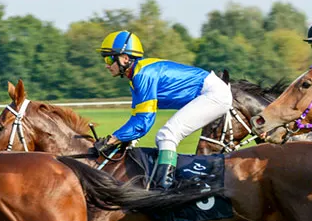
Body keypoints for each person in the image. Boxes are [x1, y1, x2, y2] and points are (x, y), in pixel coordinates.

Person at [95, 31, 232, 189]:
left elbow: (143, 122)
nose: (106, 64)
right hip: (211, 92)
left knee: (167, 134)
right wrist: (122, 140)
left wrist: (111, 140)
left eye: (109, 58)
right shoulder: (137, 75)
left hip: (214, 94)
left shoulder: (143, 75)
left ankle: (164, 188)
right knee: (164, 135)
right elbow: (137, 117)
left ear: (125, 58)